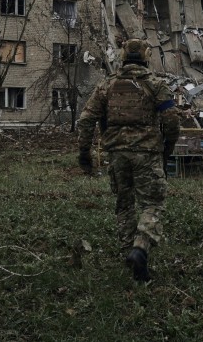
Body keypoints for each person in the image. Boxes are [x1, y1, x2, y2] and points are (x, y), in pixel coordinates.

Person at [77, 38, 180, 282]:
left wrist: (84, 153)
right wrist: (167, 150)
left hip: (117, 155)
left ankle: (129, 257)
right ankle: (140, 247)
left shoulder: (107, 85)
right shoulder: (156, 85)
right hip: (147, 154)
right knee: (152, 204)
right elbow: (172, 122)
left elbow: (86, 119)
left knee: (124, 204)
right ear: (146, 57)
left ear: (122, 57)